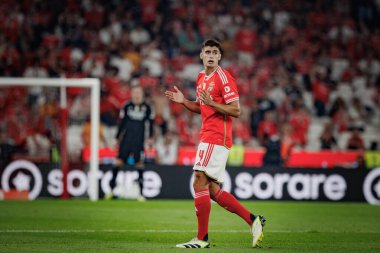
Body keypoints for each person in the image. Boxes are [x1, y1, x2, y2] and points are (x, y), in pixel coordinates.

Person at [165, 39, 266, 249]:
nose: (211, 55)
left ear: (219, 56)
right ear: (201, 55)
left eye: (215, 52)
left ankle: (202, 239)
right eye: (207, 52)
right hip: (207, 136)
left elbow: (236, 110)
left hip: (217, 137)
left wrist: (212, 102)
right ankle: (253, 220)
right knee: (211, 189)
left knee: (199, 180)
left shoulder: (224, 77)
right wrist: (184, 101)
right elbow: (202, 108)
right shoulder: (201, 77)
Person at [109, 85, 154, 201]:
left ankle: (141, 193)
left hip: (139, 141)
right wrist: (116, 138)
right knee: (118, 162)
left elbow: (150, 125)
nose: (137, 95)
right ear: (131, 94)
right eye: (135, 92)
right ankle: (111, 191)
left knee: (139, 164)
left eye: (139, 92)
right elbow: (122, 124)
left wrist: (150, 138)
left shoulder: (147, 108)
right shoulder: (127, 106)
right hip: (126, 141)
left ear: (142, 94)